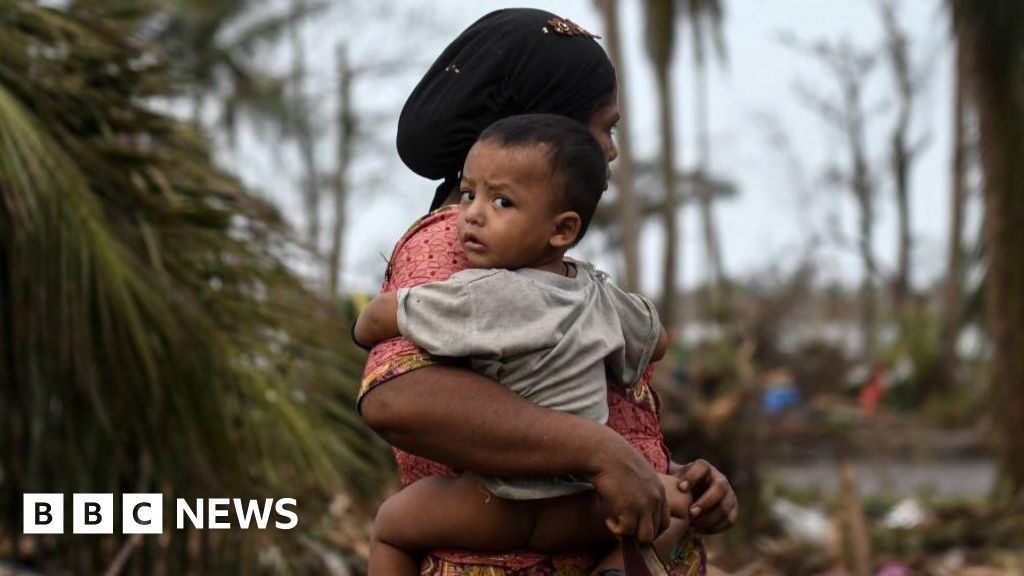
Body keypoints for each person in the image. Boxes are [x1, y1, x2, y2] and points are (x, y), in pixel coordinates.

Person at [358, 8, 738, 575]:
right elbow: (399, 396)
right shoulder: (458, 249)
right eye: (604, 127)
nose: (610, 151)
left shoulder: (553, 271)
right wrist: (600, 452)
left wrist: (669, 476)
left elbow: (558, 402)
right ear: (546, 135)